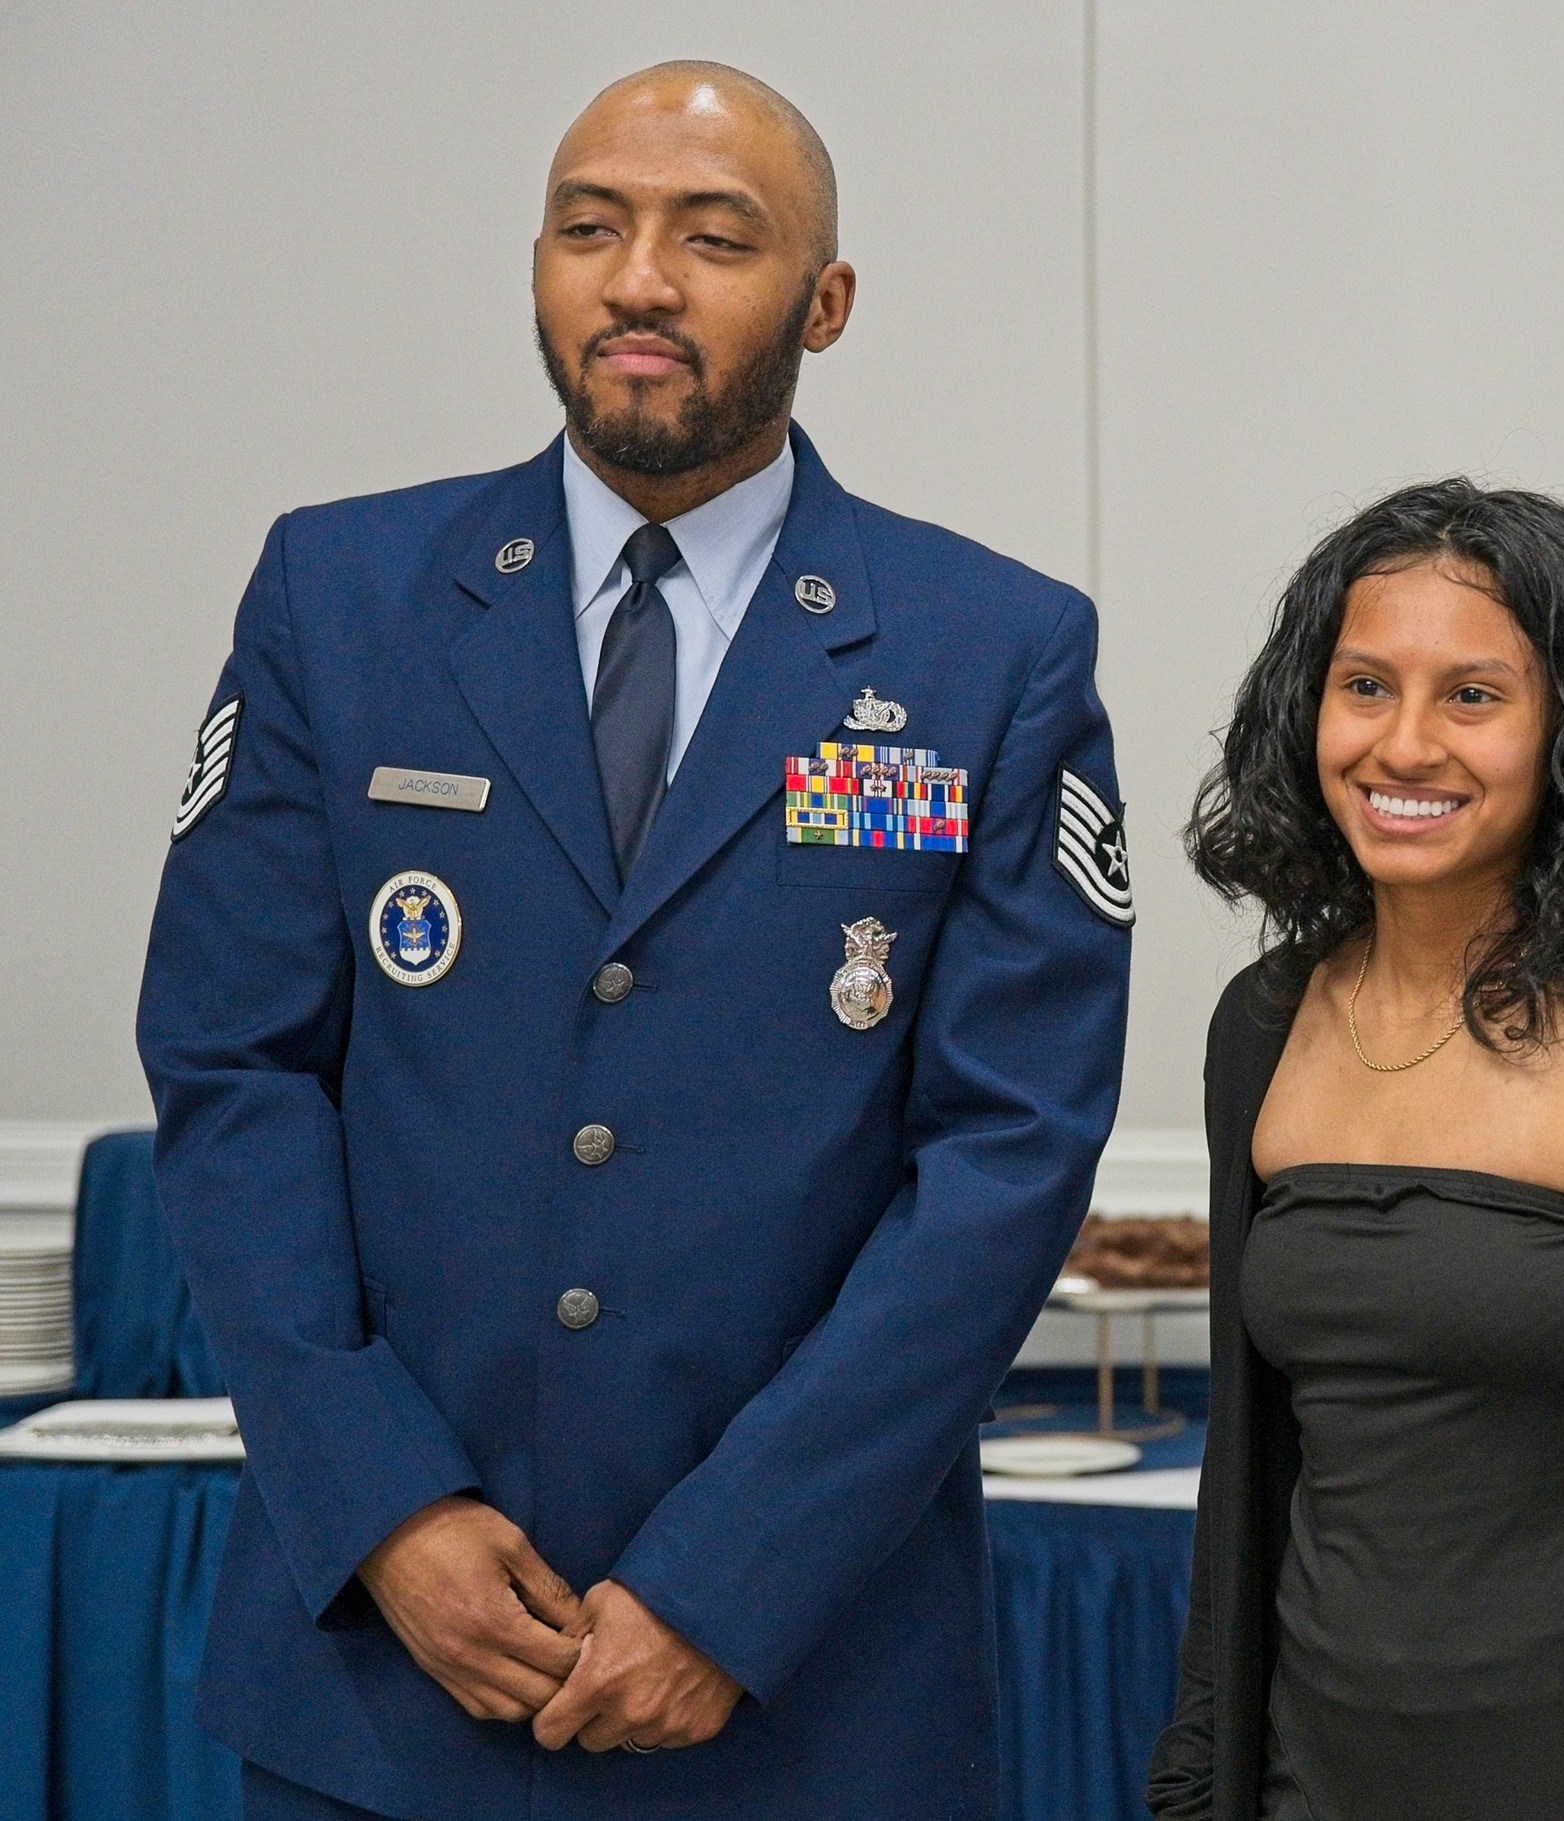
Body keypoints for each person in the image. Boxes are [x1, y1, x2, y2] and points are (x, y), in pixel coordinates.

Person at [137, 61, 1132, 1821]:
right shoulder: (339, 598)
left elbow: (1004, 1158)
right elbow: (234, 1072)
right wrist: (385, 1507)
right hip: (384, 1684)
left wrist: (731, 1580)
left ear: (826, 301)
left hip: (807, 1690)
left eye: (714, 238)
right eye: (589, 229)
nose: (640, 281)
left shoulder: (990, 653)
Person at [1145, 481, 1564, 1821]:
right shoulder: (1263, 1023)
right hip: (1307, 1778)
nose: (1404, 745)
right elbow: (1245, 1468)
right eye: (1365, 686)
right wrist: (1202, 1773)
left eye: (1473, 696)